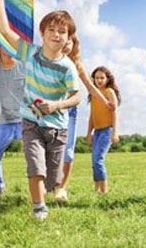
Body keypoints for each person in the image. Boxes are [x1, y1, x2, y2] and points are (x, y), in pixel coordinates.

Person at [0, 0, 81, 220]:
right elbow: (4, 30)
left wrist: (55, 105)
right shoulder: (30, 53)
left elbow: (77, 96)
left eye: (62, 31)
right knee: (35, 166)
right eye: (51, 29)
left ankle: (50, 191)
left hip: (57, 128)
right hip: (31, 122)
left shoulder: (67, 67)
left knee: (54, 178)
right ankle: (39, 206)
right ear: (42, 33)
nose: (56, 34)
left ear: (68, 38)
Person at [53, 35, 112, 204]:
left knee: (68, 152)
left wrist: (105, 101)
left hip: (69, 111)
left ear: (74, 44)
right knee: (51, 151)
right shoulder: (50, 59)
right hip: (50, 110)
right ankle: (52, 184)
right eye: (63, 40)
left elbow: (90, 86)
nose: (65, 44)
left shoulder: (77, 64)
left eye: (69, 41)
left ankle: (61, 189)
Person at [0, 40, 25, 196]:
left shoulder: (23, 66)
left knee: (34, 155)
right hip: (5, 121)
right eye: (4, 43)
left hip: (25, 120)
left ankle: (42, 189)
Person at [85, 66, 121, 194]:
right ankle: (97, 190)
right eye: (96, 78)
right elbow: (92, 115)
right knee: (94, 161)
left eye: (102, 78)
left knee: (98, 160)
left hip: (107, 130)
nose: (99, 80)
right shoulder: (93, 94)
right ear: (93, 80)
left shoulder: (109, 91)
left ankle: (104, 191)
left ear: (107, 79)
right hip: (97, 132)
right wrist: (89, 133)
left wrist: (115, 132)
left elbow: (115, 113)